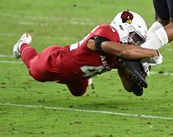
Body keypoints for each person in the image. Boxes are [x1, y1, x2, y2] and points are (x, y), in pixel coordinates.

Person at [12, 10, 163, 97]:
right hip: (58, 61)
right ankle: (23, 45)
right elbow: (122, 50)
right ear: (124, 28)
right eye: (135, 38)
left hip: (79, 74)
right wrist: (152, 52)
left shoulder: (121, 53)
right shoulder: (107, 32)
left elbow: (127, 84)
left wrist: (136, 80)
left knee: (78, 93)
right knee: (35, 71)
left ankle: (84, 78)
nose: (135, 43)